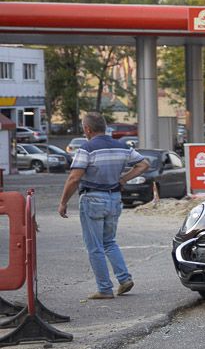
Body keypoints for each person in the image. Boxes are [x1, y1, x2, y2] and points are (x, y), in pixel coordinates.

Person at [58, 113, 150, 300]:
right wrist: (123, 179)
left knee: (95, 247)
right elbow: (143, 164)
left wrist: (63, 202)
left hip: (92, 199)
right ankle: (124, 279)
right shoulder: (122, 146)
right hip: (114, 198)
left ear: (87, 129)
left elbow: (74, 178)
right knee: (109, 242)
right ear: (105, 127)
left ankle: (104, 289)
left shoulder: (87, 148)